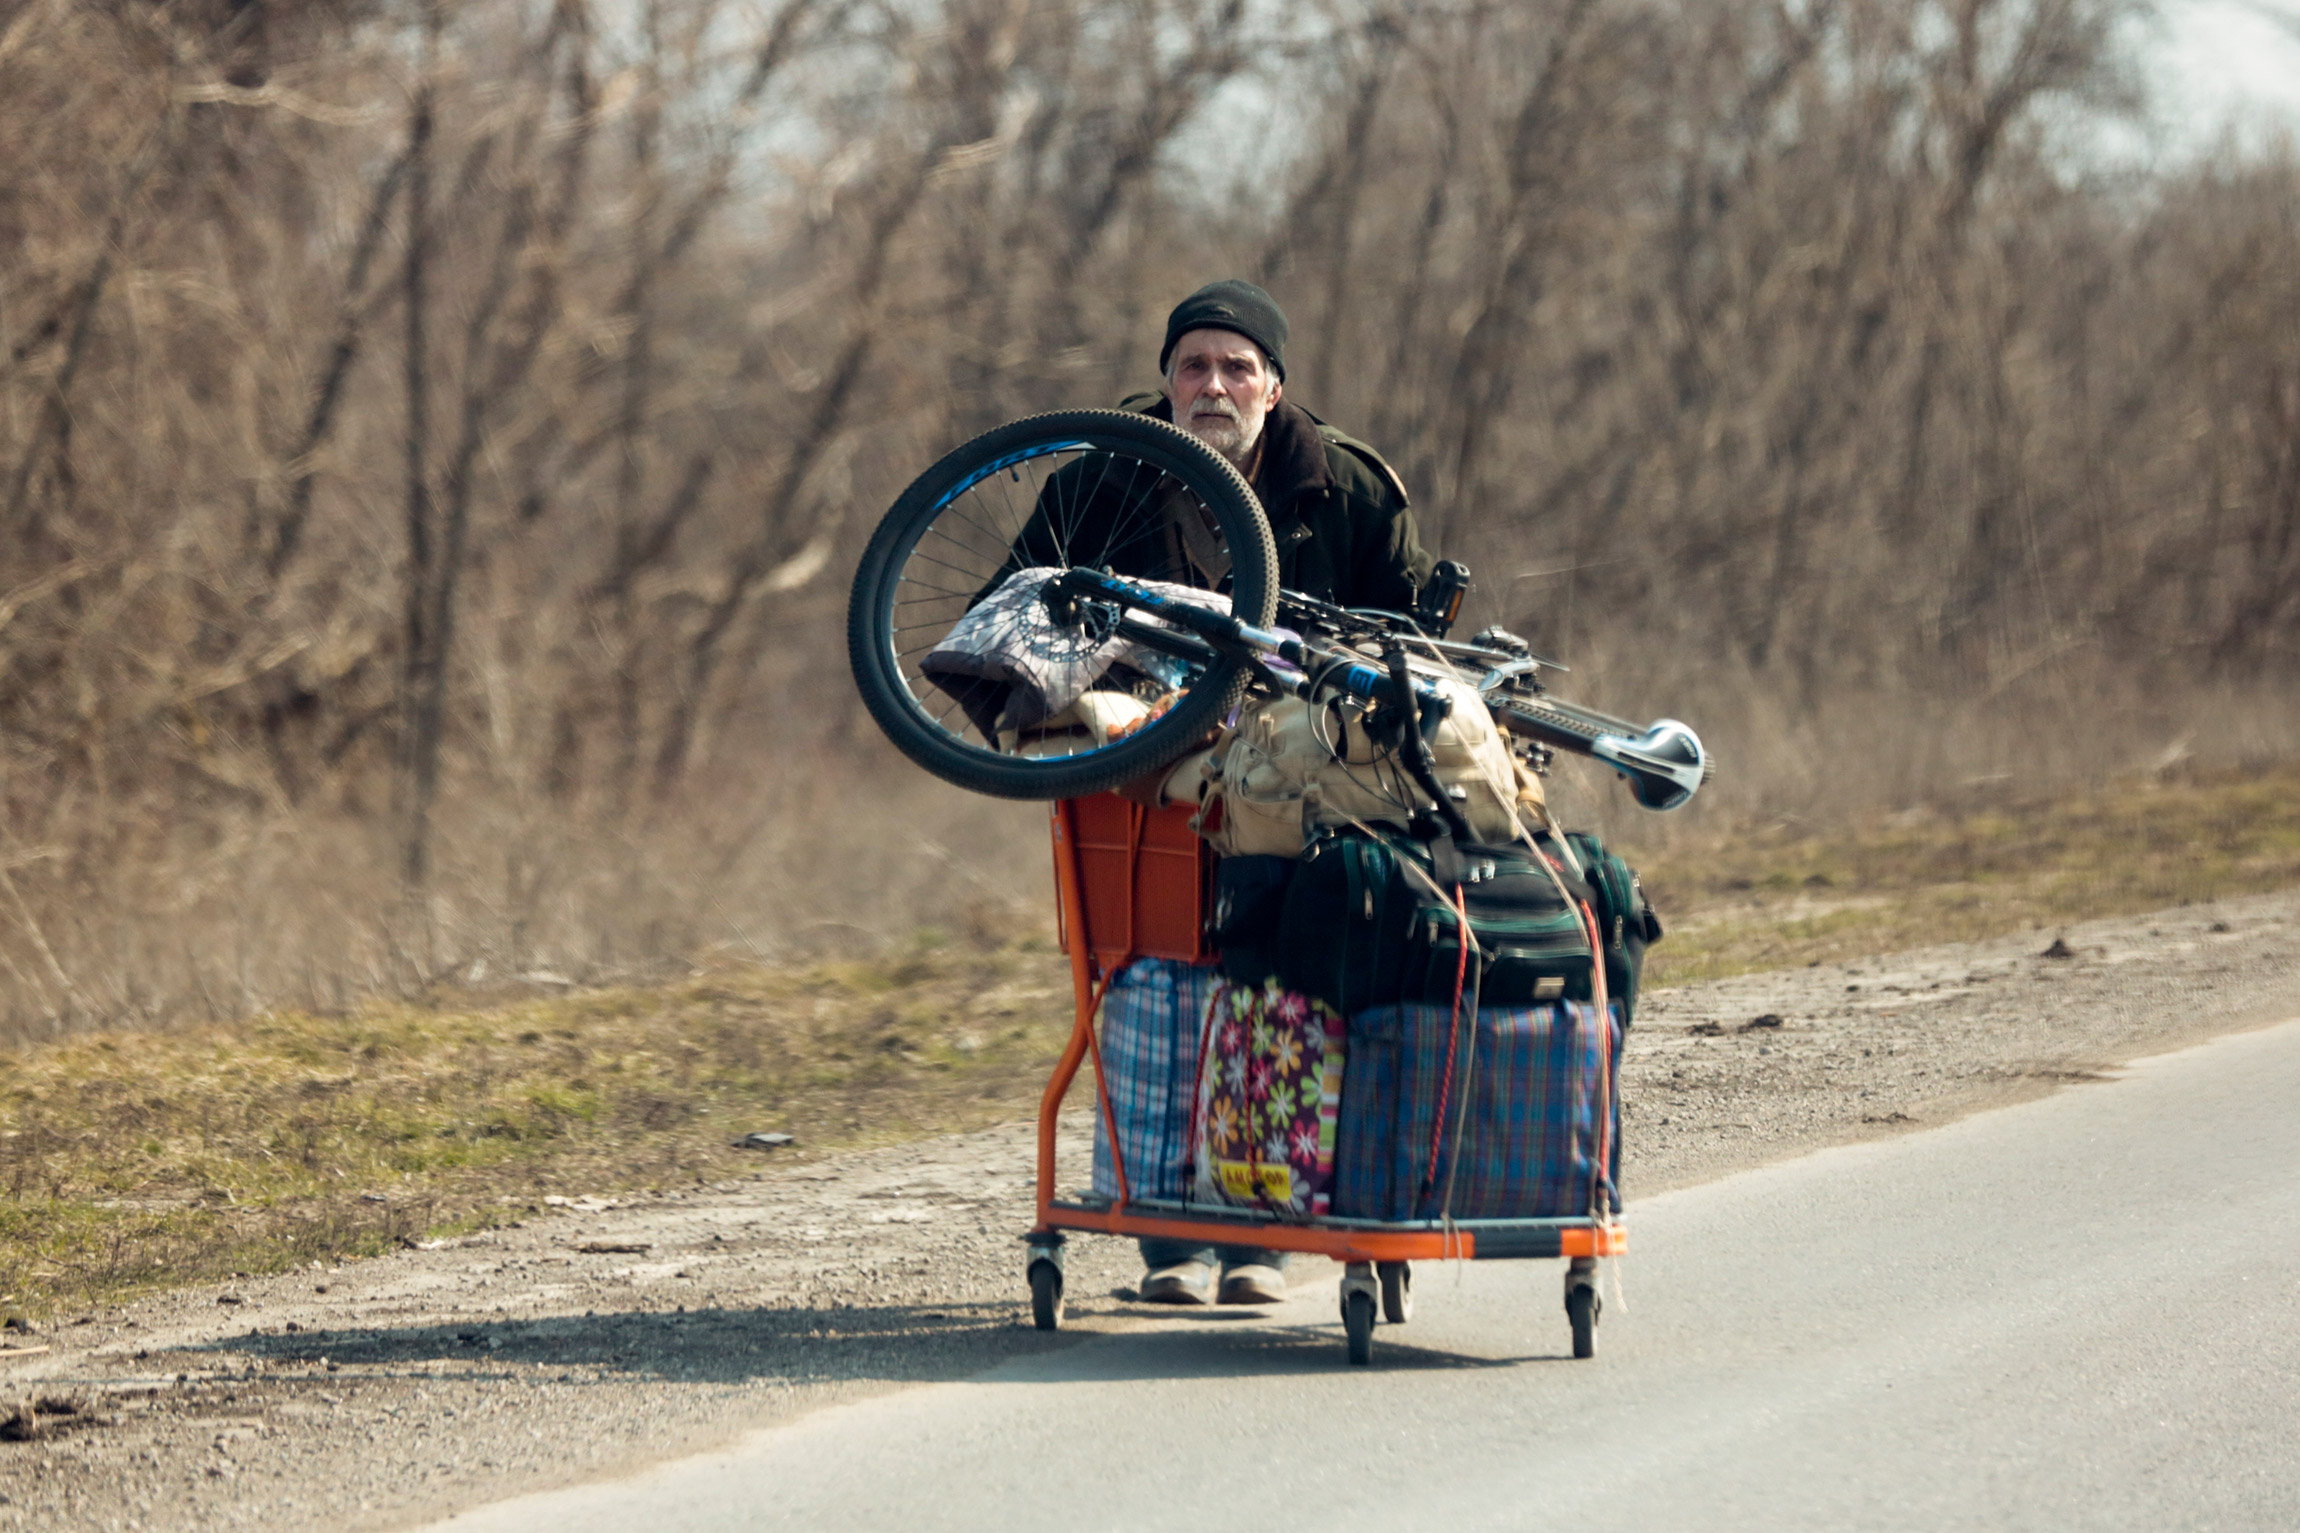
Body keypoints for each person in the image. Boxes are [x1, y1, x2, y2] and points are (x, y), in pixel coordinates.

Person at [1116, 279, 1437, 1306]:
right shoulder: (1103, 465)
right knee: (1147, 973)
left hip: (1306, 770)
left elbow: (1412, 646)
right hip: (1146, 765)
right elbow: (1016, 597)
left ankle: (1262, 1227)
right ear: (1165, 382)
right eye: (1191, 366)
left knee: (1286, 975)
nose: (1212, 385)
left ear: (1274, 386)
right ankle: (1164, 1230)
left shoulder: (1344, 485)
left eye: (1235, 368)